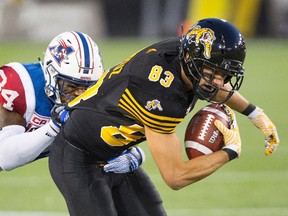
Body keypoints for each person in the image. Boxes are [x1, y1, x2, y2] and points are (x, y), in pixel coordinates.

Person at [49, 18, 280, 216]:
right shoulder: (160, 96)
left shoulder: (184, 54)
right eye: (213, 72)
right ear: (190, 58)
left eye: (225, 74)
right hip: (77, 156)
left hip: (115, 153)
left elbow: (209, 80)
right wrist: (229, 151)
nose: (220, 83)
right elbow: (175, 176)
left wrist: (254, 113)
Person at [0, 31, 145, 172]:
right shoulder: (20, 84)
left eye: (88, 87)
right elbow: (5, 158)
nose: (81, 95)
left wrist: (135, 154)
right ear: (51, 76)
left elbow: (113, 137)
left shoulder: (99, 94)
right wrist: (54, 127)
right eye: (72, 86)